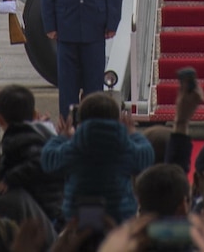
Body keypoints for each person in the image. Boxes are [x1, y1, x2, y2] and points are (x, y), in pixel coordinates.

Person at [40, 90, 154, 219]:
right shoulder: (124, 147)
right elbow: (146, 157)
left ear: (80, 120)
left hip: (79, 217)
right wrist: (134, 134)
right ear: (117, 119)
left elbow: (48, 160)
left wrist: (62, 138)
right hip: (118, 216)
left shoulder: (74, 148)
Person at [0, 83, 66, 225]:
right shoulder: (42, 133)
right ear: (35, 114)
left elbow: (39, 160)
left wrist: (9, 179)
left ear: (0, 120)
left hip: (42, 209)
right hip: (52, 203)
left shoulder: (18, 137)